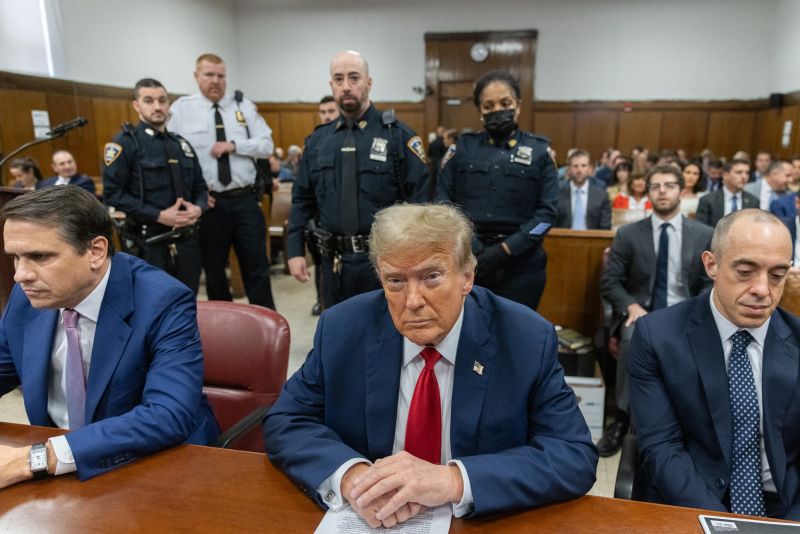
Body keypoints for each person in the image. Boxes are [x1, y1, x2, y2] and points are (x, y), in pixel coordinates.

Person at [265, 203, 597, 527]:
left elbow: (573, 454)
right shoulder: (343, 329)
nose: (413, 300)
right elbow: (286, 420)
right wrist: (353, 477)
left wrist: (451, 480)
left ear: (467, 277)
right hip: (373, 521)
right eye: (395, 281)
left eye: (432, 277)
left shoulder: (524, 338)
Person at [0, 186, 218, 489]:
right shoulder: (28, 298)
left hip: (151, 465)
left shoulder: (162, 300)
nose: (20, 274)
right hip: (59, 471)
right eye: (16, 258)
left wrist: (38, 458)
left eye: (39, 256)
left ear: (96, 251)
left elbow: (167, 415)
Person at [629, 209, 800, 519]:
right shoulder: (658, 336)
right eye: (745, 271)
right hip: (690, 500)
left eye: (777, 275)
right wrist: (727, 526)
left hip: (784, 505)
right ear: (711, 264)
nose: (762, 290)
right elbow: (662, 448)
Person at [286, 50, 430, 310]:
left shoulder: (398, 136)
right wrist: (295, 251)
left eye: (354, 78)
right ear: (331, 85)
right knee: (339, 335)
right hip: (333, 263)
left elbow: (421, 203)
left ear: (369, 83)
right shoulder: (318, 141)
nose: (346, 87)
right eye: (338, 80)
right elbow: (302, 200)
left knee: (388, 337)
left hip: (386, 262)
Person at [598, 165, 713, 456]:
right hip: (644, 312)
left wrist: (693, 309)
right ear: (648, 193)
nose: (662, 191)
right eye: (656, 186)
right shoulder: (628, 233)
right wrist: (631, 306)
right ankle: (622, 419)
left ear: (682, 191)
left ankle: (692, 424)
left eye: (669, 185)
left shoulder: (703, 234)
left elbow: (710, 283)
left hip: (688, 311)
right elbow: (610, 282)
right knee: (630, 338)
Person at [437, 70, 558, 310]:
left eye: (505, 103)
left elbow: (546, 216)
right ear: (480, 110)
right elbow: (442, 204)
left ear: (518, 106)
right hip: (469, 260)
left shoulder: (540, 152)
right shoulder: (461, 148)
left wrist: (504, 250)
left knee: (516, 338)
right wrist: (473, 246)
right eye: (488, 105)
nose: (497, 110)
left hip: (522, 265)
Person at [168, 53, 276, 309]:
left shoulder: (243, 107)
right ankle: (227, 331)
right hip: (211, 205)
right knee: (214, 272)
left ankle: (268, 326)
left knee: (258, 268)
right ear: (197, 77)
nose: (215, 81)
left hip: (246, 200)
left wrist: (235, 145)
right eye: (209, 75)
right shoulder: (182, 109)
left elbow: (266, 144)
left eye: (220, 76)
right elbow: (173, 157)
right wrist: (194, 195)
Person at [103, 78, 207, 294]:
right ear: (136, 105)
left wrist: (198, 207)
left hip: (187, 241)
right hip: (149, 243)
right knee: (153, 307)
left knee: (189, 302)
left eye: (162, 100)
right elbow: (113, 194)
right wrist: (158, 215)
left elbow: (201, 188)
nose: (157, 106)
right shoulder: (125, 143)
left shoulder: (181, 144)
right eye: (149, 101)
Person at [555, 149, 611, 230]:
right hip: (562, 240)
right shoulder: (557, 191)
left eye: (583, 165)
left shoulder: (601, 195)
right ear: (569, 169)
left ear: (589, 168)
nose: (579, 170)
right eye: (575, 166)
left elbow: (605, 228)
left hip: (592, 240)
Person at [696, 159, 759, 228]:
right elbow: (702, 230)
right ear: (725, 175)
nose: (744, 177)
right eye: (739, 172)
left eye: (747, 173)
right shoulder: (707, 201)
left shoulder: (753, 201)